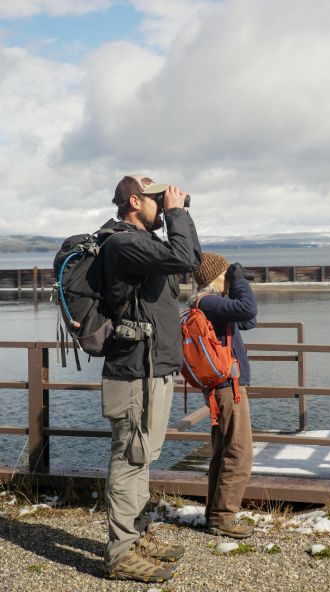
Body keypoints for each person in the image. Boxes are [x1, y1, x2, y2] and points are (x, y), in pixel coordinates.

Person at [101, 175, 201, 583]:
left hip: (153, 368)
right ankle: (120, 553)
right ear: (134, 200)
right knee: (128, 458)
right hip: (133, 372)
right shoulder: (122, 242)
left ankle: (136, 536)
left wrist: (176, 215)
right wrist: (176, 212)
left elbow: (189, 259)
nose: (163, 204)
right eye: (157, 199)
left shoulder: (146, 244)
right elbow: (184, 259)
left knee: (144, 457)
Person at [191, 252, 257, 539]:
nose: (231, 278)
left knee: (223, 451)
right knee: (238, 452)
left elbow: (249, 320)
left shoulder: (214, 306)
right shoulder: (207, 302)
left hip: (225, 388)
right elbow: (247, 308)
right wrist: (239, 281)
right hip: (228, 389)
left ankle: (215, 513)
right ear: (216, 277)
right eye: (227, 274)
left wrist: (236, 284)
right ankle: (223, 517)